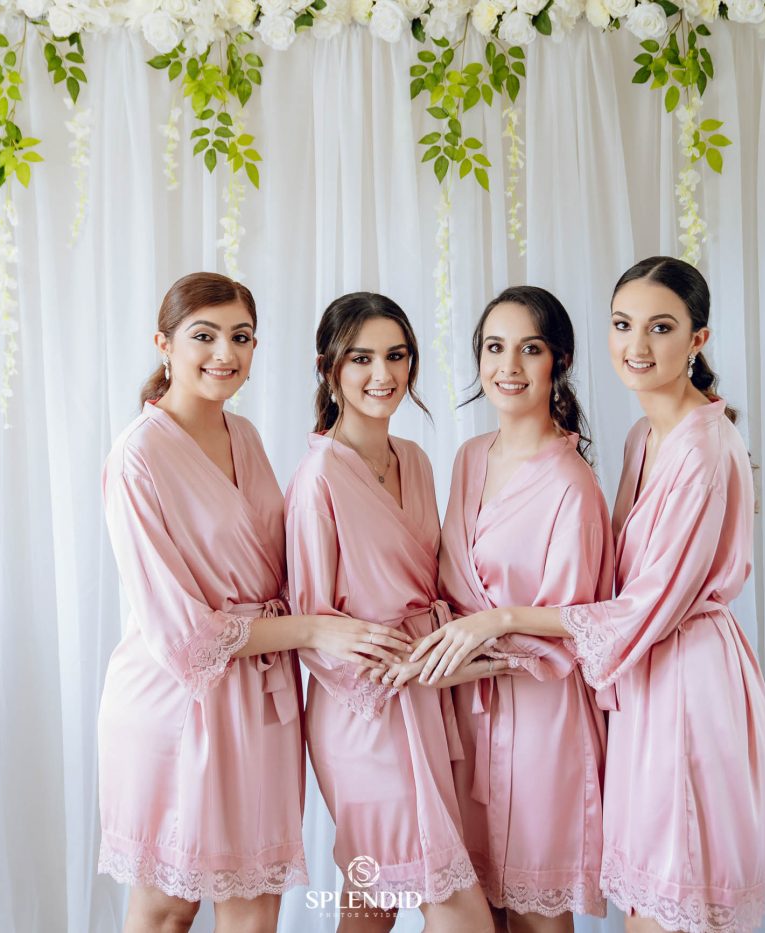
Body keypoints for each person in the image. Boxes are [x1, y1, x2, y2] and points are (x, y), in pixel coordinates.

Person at [411, 258, 765, 933]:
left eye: (661, 327)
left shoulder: (700, 449)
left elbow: (646, 602)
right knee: (642, 896)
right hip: (643, 678)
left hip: (686, 678)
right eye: (623, 324)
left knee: (670, 899)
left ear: (698, 339)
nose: (637, 344)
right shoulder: (645, 435)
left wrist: (501, 619)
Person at [97, 273, 412, 933]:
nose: (225, 353)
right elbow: (184, 634)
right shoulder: (137, 457)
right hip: (178, 703)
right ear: (164, 344)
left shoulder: (244, 436)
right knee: (167, 908)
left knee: (255, 910)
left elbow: (286, 563)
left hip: (264, 697)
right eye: (204, 336)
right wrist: (315, 630)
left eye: (240, 337)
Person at [285, 291, 492, 932]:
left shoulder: (417, 460)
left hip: (427, 698)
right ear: (329, 369)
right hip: (363, 713)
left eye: (397, 356)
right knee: (458, 912)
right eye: (362, 359)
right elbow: (312, 623)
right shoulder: (317, 478)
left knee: (371, 904)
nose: (384, 374)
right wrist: (391, 672)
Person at [422, 286, 614, 930]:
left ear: (559, 361)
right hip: (465, 709)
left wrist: (494, 624)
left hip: (541, 716)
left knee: (536, 911)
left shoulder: (572, 485)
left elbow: (581, 622)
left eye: (529, 349)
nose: (508, 366)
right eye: (494, 347)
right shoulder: (469, 457)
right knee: (480, 907)